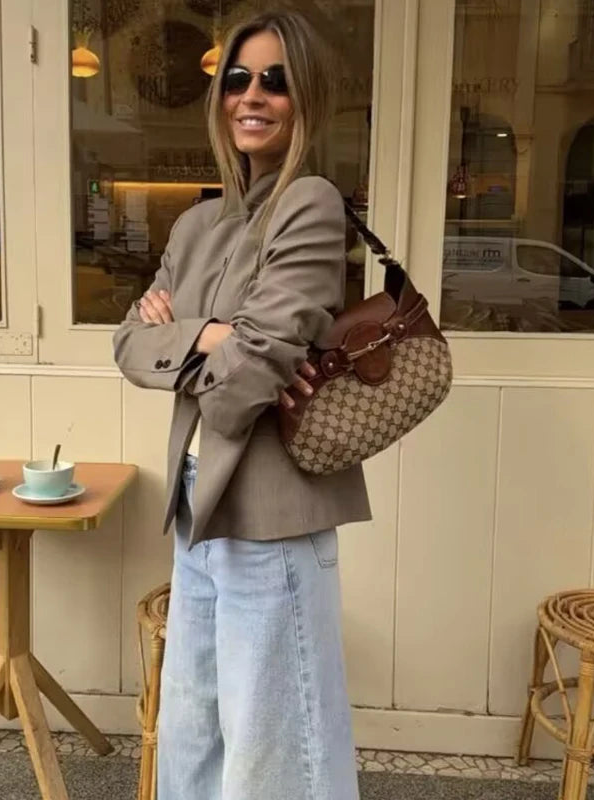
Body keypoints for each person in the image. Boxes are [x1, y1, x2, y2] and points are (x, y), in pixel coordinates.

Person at [113, 11, 371, 800]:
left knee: (275, 750)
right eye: (237, 78)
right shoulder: (198, 223)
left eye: (275, 81)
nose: (252, 96)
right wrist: (211, 334)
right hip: (196, 506)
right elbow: (127, 344)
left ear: (306, 97)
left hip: (273, 516)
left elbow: (246, 384)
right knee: (192, 735)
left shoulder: (310, 204)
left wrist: (188, 338)